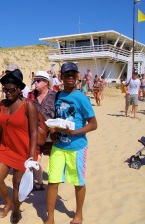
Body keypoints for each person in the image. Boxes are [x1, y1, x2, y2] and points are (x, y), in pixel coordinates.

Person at [45, 62, 97, 224]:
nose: (70, 77)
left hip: (77, 147)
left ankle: (78, 215)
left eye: (73, 74)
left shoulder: (82, 98)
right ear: (61, 77)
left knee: (78, 182)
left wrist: (74, 132)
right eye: (67, 74)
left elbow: (93, 124)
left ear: (77, 77)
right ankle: (50, 218)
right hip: (58, 146)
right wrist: (53, 132)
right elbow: (56, 118)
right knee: (53, 181)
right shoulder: (57, 95)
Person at [0, 66, 38, 223]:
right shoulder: (2, 105)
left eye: (11, 89)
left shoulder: (28, 105)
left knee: (17, 184)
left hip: (24, 151)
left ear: (19, 89)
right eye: (5, 90)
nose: (8, 93)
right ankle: (8, 201)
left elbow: (34, 133)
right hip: (6, 148)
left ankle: (16, 209)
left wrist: (31, 157)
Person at [27, 71, 56, 191]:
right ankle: (39, 183)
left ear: (46, 82)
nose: (36, 83)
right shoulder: (31, 96)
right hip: (37, 133)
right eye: (35, 81)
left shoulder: (55, 95)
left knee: (53, 157)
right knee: (36, 157)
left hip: (52, 133)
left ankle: (54, 181)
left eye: (38, 81)